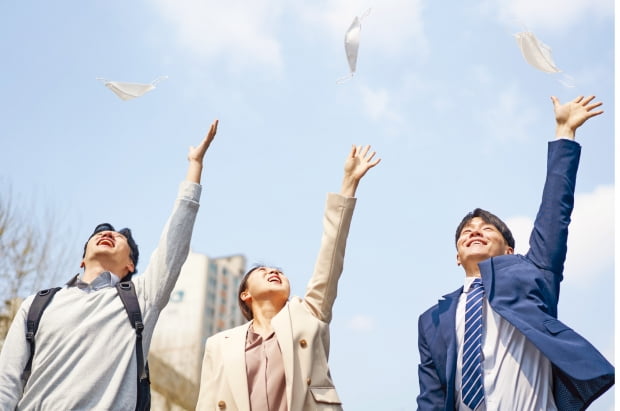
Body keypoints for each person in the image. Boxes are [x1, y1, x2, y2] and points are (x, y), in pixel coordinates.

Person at [0, 120, 220, 410]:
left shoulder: (141, 299)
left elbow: (173, 247)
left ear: (131, 264)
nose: (108, 234)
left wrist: (194, 167)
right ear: (82, 258)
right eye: (99, 232)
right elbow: (7, 382)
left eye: (120, 237)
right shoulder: (37, 306)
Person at [416, 95, 615, 411]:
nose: (475, 231)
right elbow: (432, 397)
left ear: (509, 251)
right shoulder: (431, 320)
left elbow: (555, 213)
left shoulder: (533, 271)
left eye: (486, 228)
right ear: (457, 256)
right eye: (466, 231)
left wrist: (564, 132)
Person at [196, 145, 380, 411]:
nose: (274, 272)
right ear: (245, 294)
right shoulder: (219, 344)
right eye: (262, 271)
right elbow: (206, 403)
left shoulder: (309, 313)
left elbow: (331, 253)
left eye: (279, 271)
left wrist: (349, 183)